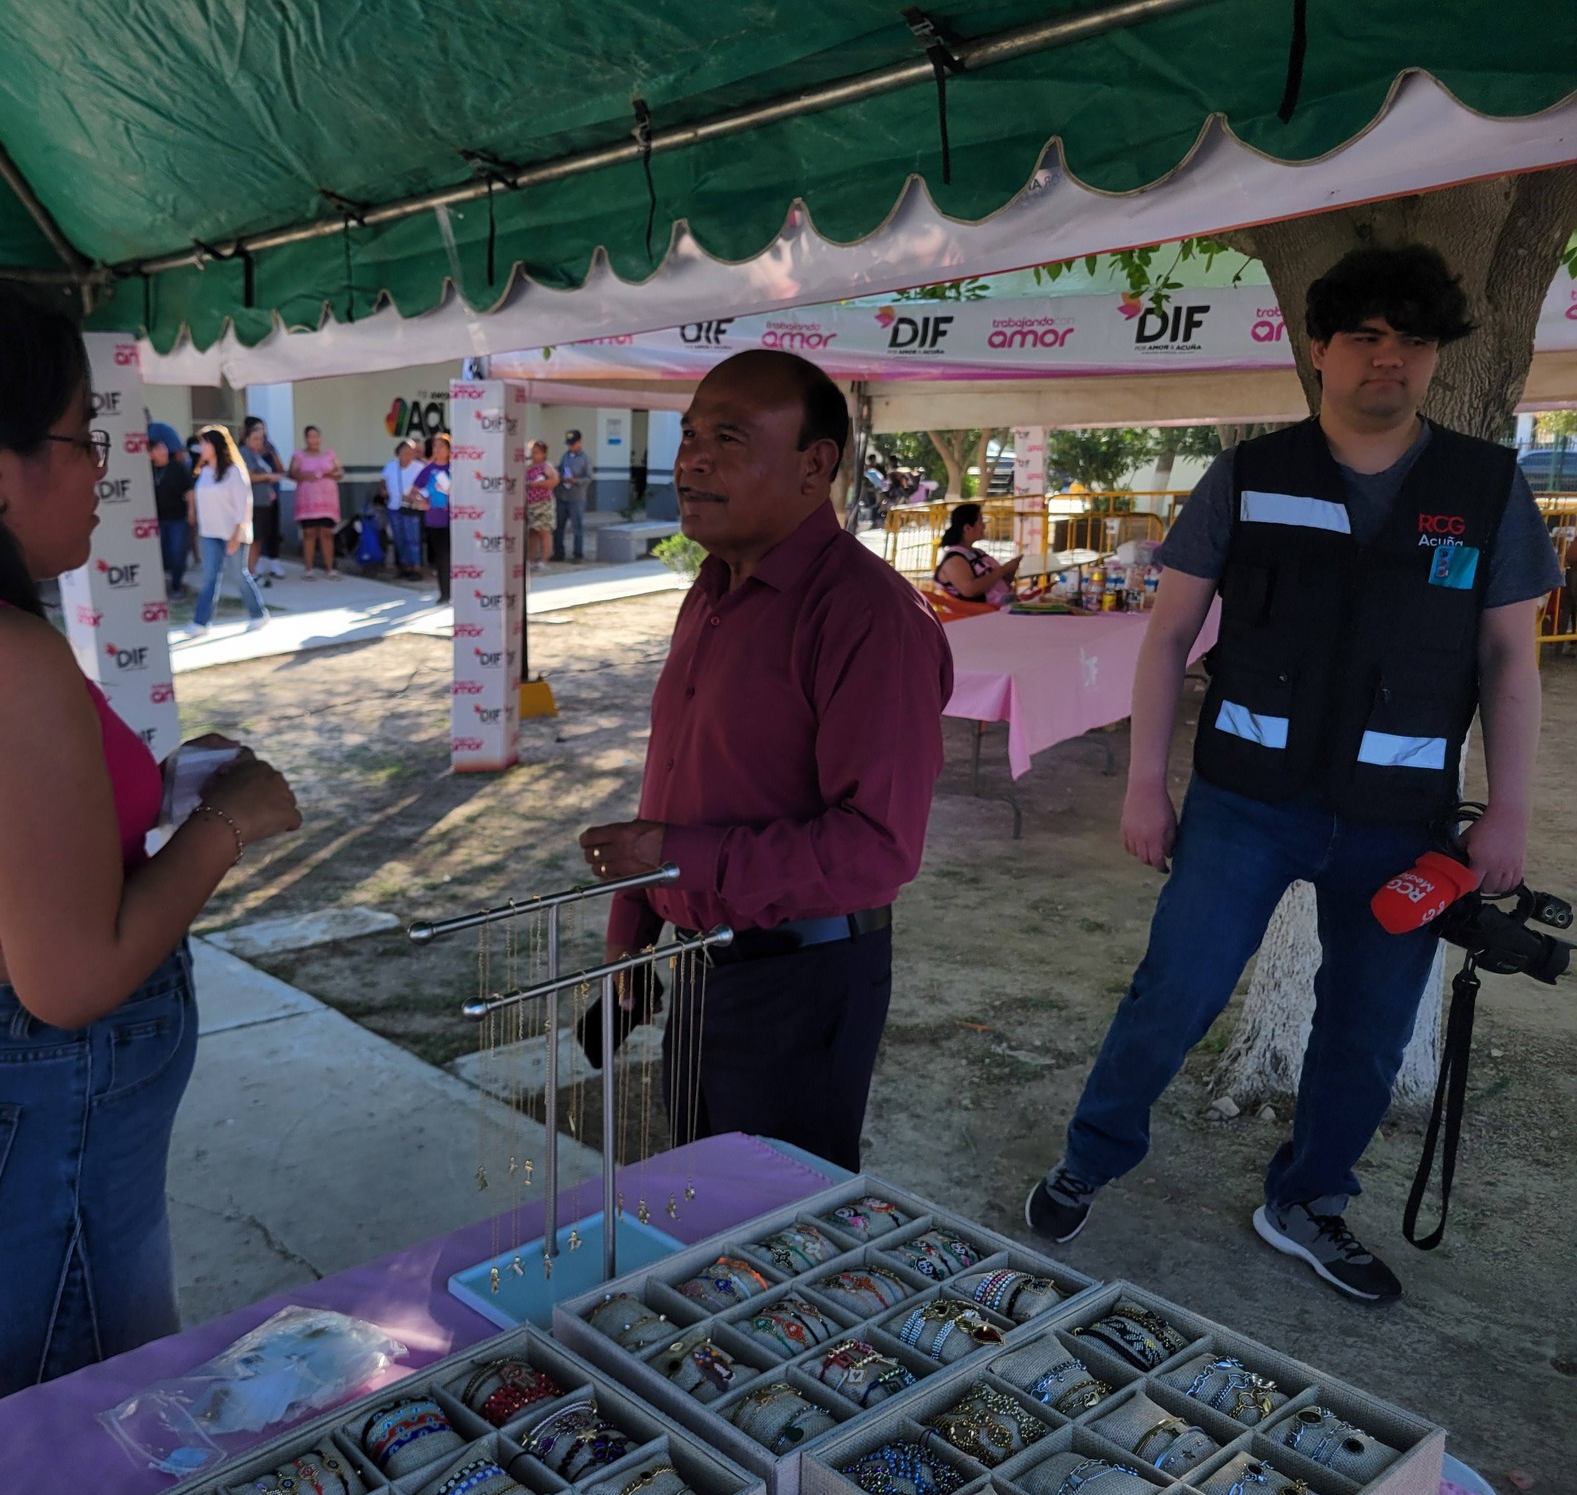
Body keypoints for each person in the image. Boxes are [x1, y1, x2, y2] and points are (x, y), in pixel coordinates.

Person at [1023, 245, 1563, 1304]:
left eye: (1410, 340)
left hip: (1399, 820)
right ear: (1317, 348)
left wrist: (1505, 811)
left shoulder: (1484, 488)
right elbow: (1167, 634)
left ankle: (1305, 1201)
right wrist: (1144, 782)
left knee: (1364, 1032)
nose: (1387, 359)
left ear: (1432, 357)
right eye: (1363, 336)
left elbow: (1509, 659)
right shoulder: (1248, 475)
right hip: (1243, 805)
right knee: (1170, 993)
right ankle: (1089, 1158)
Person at [0, 273, 301, 1429]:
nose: (105, 460)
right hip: (38, 1098)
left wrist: (155, 785)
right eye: (80, 432)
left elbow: (5, 846)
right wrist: (231, 821)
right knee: (85, 1439)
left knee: (15, 1424)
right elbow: (73, 978)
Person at [578, 351, 952, 1171]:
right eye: (688, 437)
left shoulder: (867, 616)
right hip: (699, 968)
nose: (691, 460)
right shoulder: (710, 593)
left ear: (815, 466)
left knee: (774, 1235)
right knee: (697, 1203)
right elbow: (675, 780)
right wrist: (629, 942)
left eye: (728, 439)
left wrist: (678, 858)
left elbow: (877, 848)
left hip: (803, 982)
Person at [187, 425, 268, 634]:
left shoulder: (235, 472)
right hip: (208, 533)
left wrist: (235, 536)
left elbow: (243, 505)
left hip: (233, 533)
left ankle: (258, 614)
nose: (201, 447)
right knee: (209, 578)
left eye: (205, 442)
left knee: (239, 575)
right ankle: (201, 623)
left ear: (216, 445)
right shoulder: (204, 471)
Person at [933, 502, 1020, 607]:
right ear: (968, 528)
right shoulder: (954, 560)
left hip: (1001, 605)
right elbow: (969, 590)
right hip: (979, 614)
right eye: (981, 522)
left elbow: (997, 581)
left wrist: (1010, 569)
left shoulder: (977, 553)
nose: (984, 526)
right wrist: (1002, 570)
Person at [289, 424, 344, 580]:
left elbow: (340, 471)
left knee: (327, 533)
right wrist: (306, 476)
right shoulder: (299, 455)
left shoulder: (329, 454)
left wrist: (330, 474)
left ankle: (330, 568)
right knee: (309, 533)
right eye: (310, 436)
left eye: (316, 436)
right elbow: (292, 473)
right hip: (308, 501)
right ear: (306, 438)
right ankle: (309, 569)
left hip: (327, 501)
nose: (314, 440)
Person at [148, 422, 194, 597]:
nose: (163, 451)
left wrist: (191, 512)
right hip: (157, 519)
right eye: (158, 449)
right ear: (150, 454)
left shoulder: (177, 468)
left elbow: (189, 491)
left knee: (177, 552)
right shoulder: (148, 471)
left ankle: (176, 586)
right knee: (161, 554)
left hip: (177, 519)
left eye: (164, 448)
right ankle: (161, 587)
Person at [239, 416, 287, 584]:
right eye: (256, 438)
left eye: (262, 437)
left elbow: (281, 468)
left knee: (259, 538)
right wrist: (268, 476)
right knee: (253, 539)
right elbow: (249, 476)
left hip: (265, 501)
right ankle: (250, 572)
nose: (260, 441)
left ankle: (252, 570)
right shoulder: (245, 453)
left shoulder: (259, 454)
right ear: (247, 438)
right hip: (253, 502)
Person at [407, 433, 453, 602]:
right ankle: (445, 593)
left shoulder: (455, 468)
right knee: (441, 556)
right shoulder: (428, 469)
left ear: (449, 450)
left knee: (454, 556)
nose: (438, 450)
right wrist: (420, 502)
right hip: (434, 519)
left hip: (455, 519)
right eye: (435, 446)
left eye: (442, 446)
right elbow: (412, 492)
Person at [381, 437, 424, 578]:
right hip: (394, 506)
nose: (408, 455)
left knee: (413, 538)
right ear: (398, 452)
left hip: (411, 507)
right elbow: (382, 481)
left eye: (411, 452)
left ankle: (416, 568)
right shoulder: (390, 466)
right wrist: (383, 490)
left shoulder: (419, 467)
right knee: (399, 538)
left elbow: (425, 487)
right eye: (405, 452)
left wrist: (414, 496)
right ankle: (404, 567)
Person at [555, 429, 592, 562]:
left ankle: (578, 554)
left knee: (577, 527)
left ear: (580, 442)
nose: (571, 447)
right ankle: (559, 553)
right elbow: (560, 469)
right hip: (562, 495)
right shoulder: (565, 456)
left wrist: (576, 481)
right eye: (569, 444)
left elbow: (588, 477)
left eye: (573, 444)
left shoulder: (585, 458)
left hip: (576, 497)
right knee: (558, 527)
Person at [524, 439, 558, 570]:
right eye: (532, 452)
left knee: (544, 532)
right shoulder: (528, 466)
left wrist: (536, 484)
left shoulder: (546, 466)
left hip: (543, 504)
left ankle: (544, 560)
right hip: (530, 504)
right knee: (532, 532)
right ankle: (530, 559)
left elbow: (554, 481)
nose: (534, 455)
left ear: (544, 453)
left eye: (537, 452)